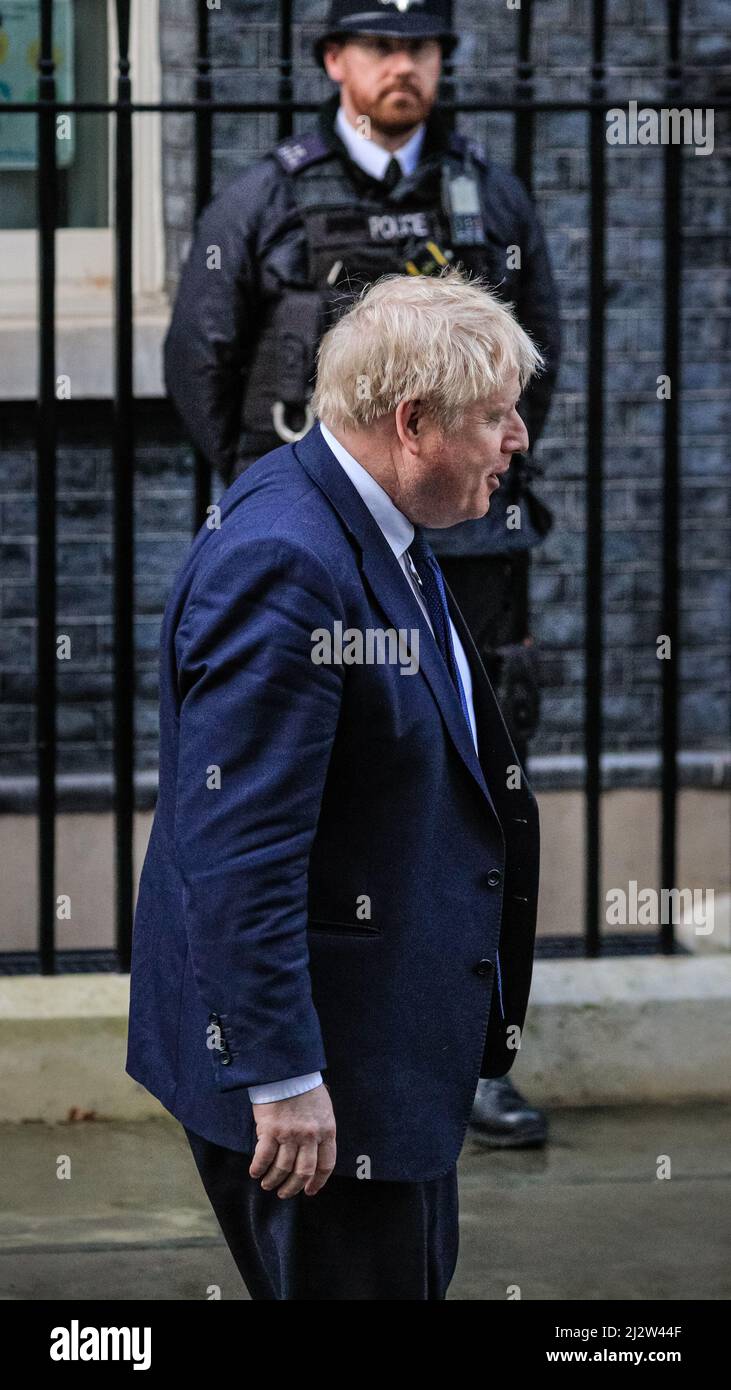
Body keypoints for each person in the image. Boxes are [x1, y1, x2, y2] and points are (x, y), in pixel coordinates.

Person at [163, 0, 557, 1147]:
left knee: (459, 792)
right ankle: (306, 1051)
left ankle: (469, 1054)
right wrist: (313, 493)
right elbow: (203, 355)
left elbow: (535, 350)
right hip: (340, 523)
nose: (404, 66)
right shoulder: (265, 197)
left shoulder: (489, 192)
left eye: (422, 47)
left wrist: (466, 462)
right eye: (381, 47)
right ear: (335, 61)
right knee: (322, 787)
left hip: (458, 544)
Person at [126, 269, 543, 1300]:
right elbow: (237, 848)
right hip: (324, 1100)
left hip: (383, 1062)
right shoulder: (287, 561)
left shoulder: (369, 516)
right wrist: (282, 1077)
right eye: (494, 417)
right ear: (411, 423)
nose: (518, 439)